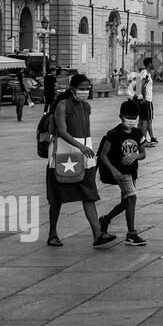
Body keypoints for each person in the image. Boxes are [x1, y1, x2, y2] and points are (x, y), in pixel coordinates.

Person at [46, 74, 115, 248]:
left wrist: (85, 148)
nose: (85, 91)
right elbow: (62, 131)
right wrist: (80, 146)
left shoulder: (86, 106)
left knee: (88, 195)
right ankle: (52, 234)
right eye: (82, 88)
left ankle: (97, 234)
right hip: (63, 155)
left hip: (85, 158)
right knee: (57, 197)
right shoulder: (62, 105)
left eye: (87, 88)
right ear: (72, 89)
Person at [97, 101, 147, 246]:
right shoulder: (113, 134)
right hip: (121, 172)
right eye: (129, 117)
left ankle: (106, 219)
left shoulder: (138, 133)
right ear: (121, 116)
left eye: (134, 117)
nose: (132, 120)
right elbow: (103, 155)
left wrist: (135, 156)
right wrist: (114, 171)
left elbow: (143, 153)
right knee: (132, 198)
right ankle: (131, 234)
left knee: (126, 202)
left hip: (132, 172)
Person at [135, 56, 158, 145]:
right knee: (145, 120)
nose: (154, 64)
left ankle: (138, 139)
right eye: (153, 62)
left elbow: (137, 86)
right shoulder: (146, 73)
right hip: (146, 100)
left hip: (141, 99)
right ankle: (143, 141)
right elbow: (143, 86)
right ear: (149, 64)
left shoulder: (141, 73)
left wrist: (138, 97)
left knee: (141, 120)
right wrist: (144, 97)